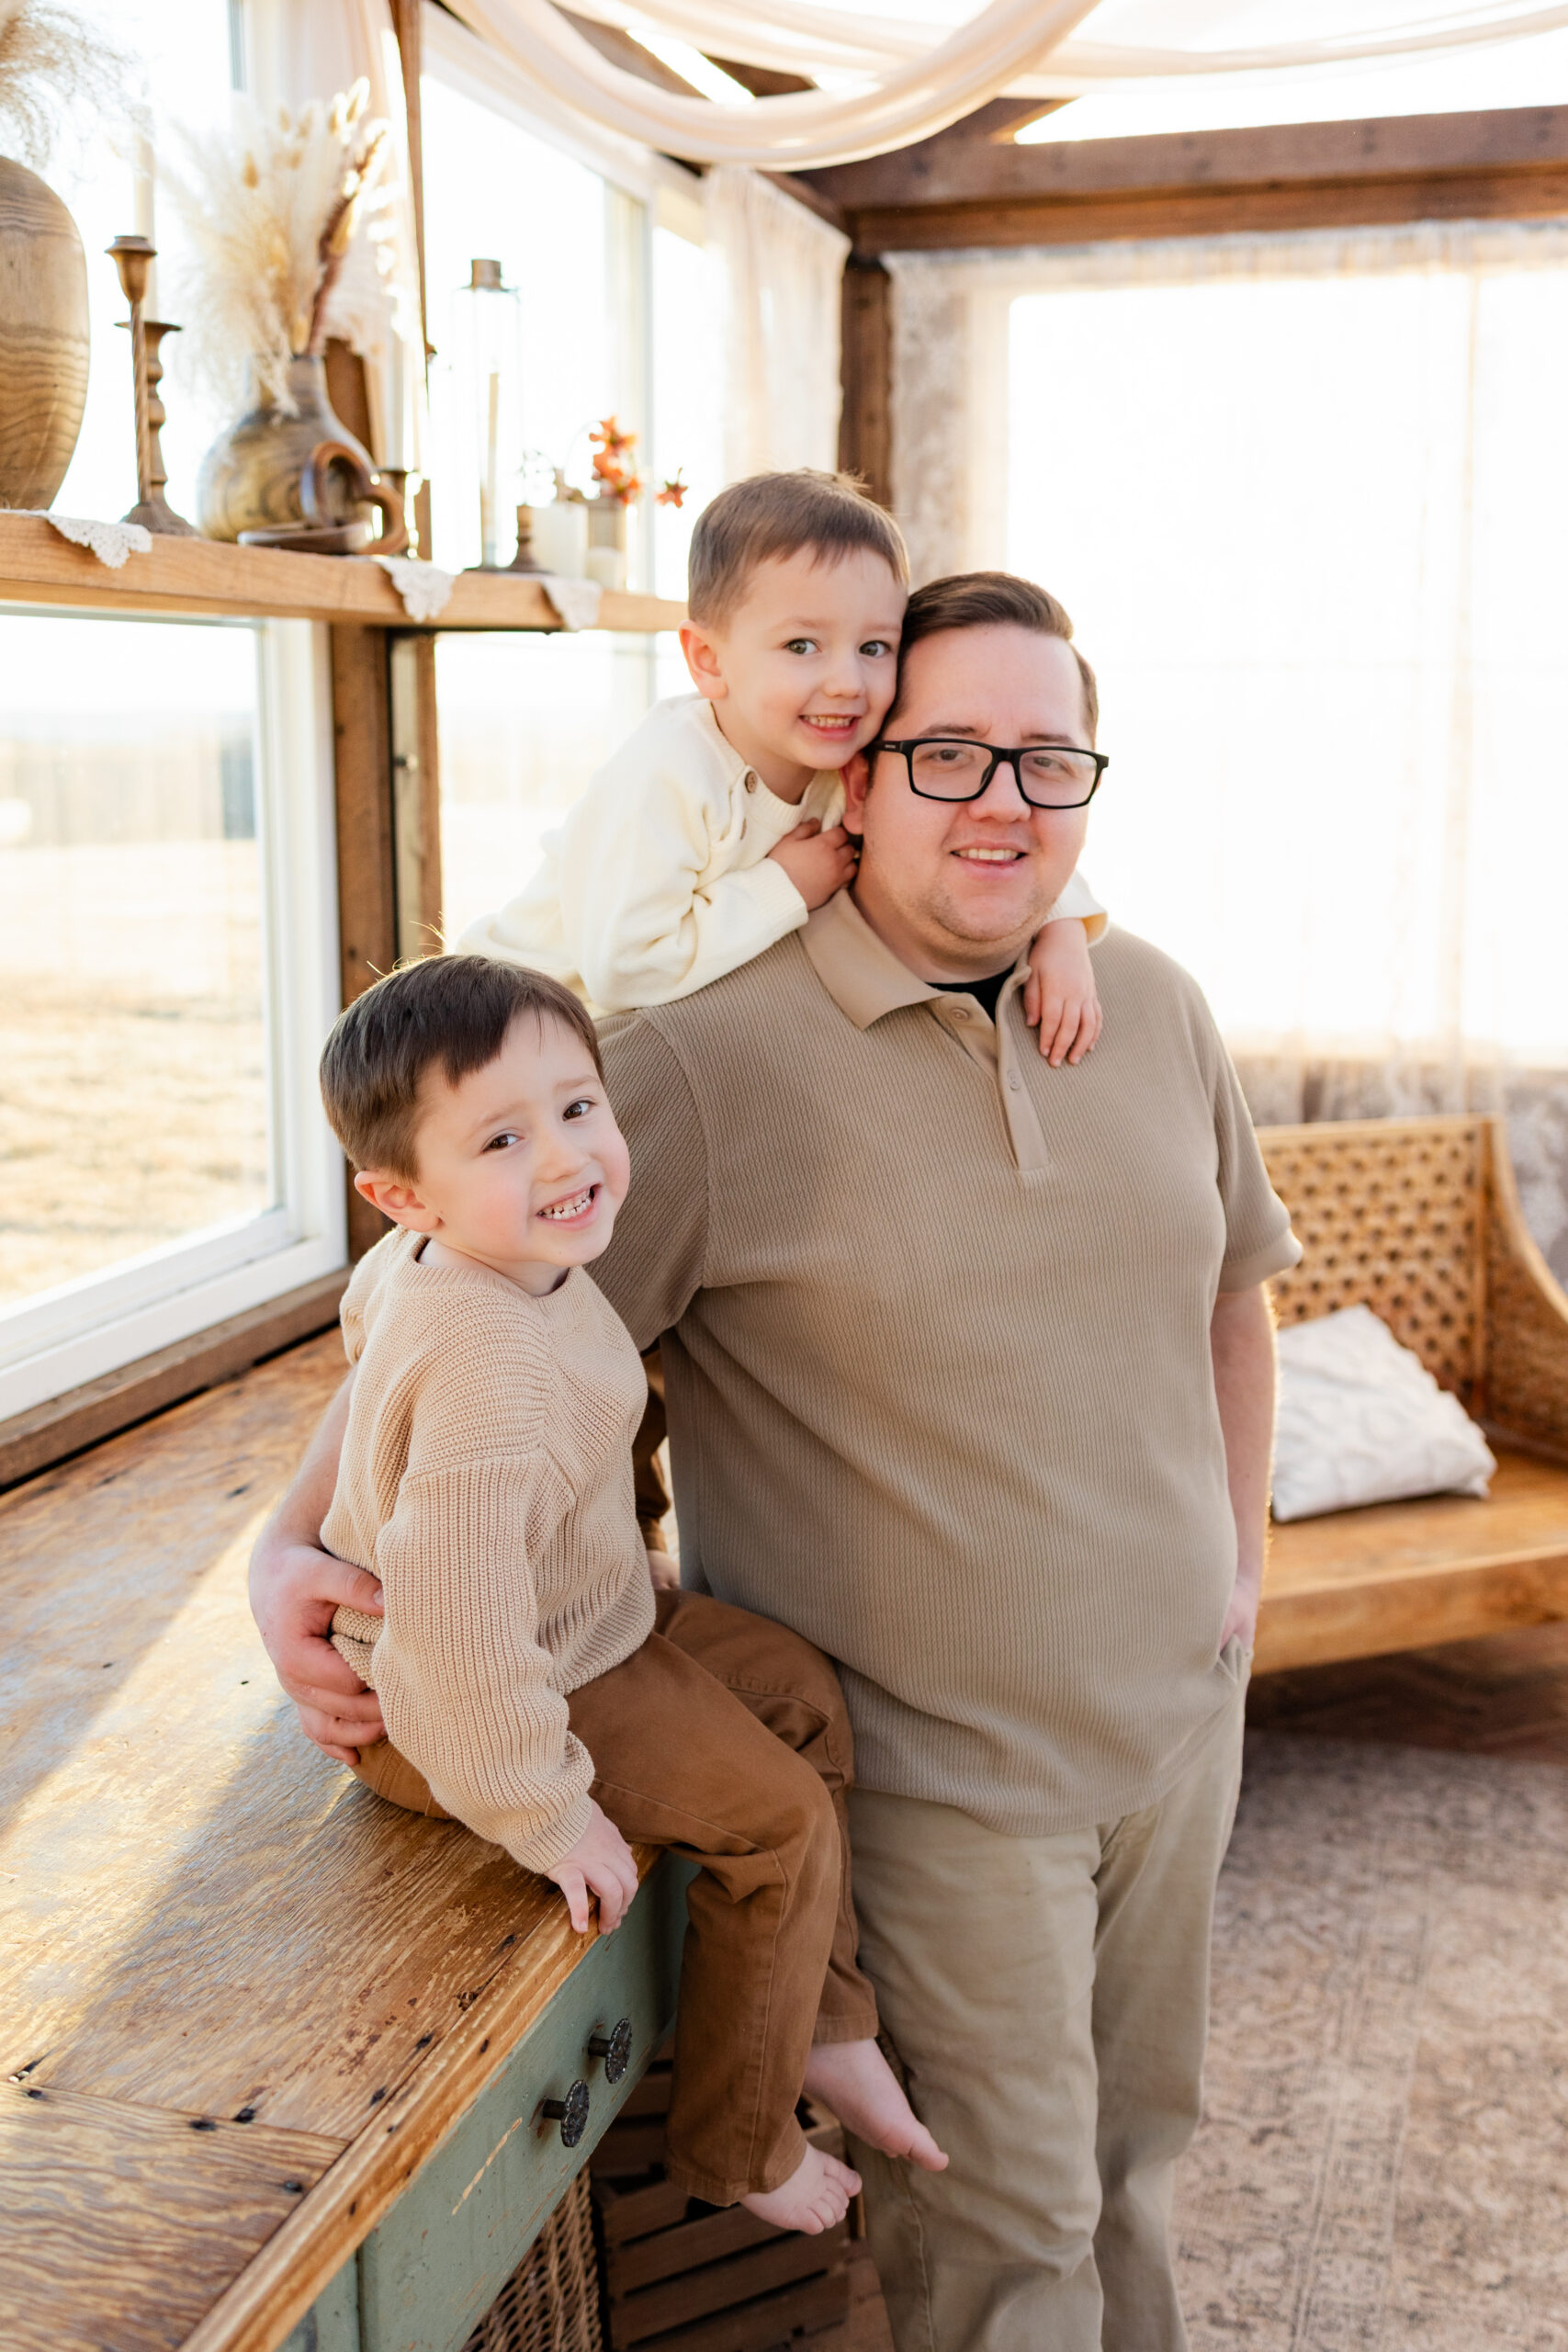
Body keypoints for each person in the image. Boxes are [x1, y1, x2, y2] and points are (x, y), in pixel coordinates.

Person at [253, 569, 1299, 2351]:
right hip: (938, 1779)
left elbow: (1230, 1296)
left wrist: (1238, 1566)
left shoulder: (1155, 999)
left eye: (1048, 759)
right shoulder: (690, 1066)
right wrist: (290, 1539)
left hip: (1180, 1720)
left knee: (1135, 2161)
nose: (1000, 799)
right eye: (950, 749)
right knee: (1003, 2233)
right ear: (853, 777)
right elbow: (468, 1306)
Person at [304, 953, 945, 2233]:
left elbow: (365, 1326)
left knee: (802, 1699)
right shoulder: (488, 1369)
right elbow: (451, 1632)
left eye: (578, 1108)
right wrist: (543, 1811)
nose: (563, 1158)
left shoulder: (467, 1261)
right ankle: (741, 2144)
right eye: (500, 1137)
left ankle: (817, 2021)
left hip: (584, 1618)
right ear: (403, 1195)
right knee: (777, 1826)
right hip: (488, 1700)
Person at [462, 468, 1107, 1066]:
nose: (845, 682)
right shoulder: (670, 772)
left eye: (873, 646)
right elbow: (624, 969)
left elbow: (999, 817)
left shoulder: (840, 748)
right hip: (495, 1022)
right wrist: (784, 885)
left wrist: (1060, 930)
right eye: (801, 645)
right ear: (708, 659)